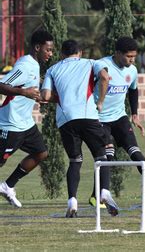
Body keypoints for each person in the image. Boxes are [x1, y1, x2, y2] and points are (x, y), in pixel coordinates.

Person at [41, 39, 119, 218]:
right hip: (87, 116)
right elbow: (105, 77)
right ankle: (104, 192)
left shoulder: (53, 69)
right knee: (104, 153)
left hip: (65, 120)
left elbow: (44, 95)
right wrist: (100, 102)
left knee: (75, 161)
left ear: (61, 54)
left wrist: (62, 97)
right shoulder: (91, 63)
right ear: (81, 53)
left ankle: (72, 202)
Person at [88, 36, 145, 209]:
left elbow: (133, 91)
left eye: (134, 57)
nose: (131, 60)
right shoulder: (103, 65)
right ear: (117, 53)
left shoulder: (133, 70)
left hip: (120, 118)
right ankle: (99, 198)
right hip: (100, 120)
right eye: (128, 57)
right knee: (107, 157)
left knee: (136, 154)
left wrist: (135, 114)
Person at [0, 30, 54, 207]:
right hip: (11, 124)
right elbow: (2, 85)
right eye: (48, 50)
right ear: (37, 47)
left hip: (26, 124)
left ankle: (7, 186)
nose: (50, 54)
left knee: (41, 152)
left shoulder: (36, 64)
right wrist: (24, 92)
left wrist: (35, 97)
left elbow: (28, 90)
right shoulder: (24, 65)